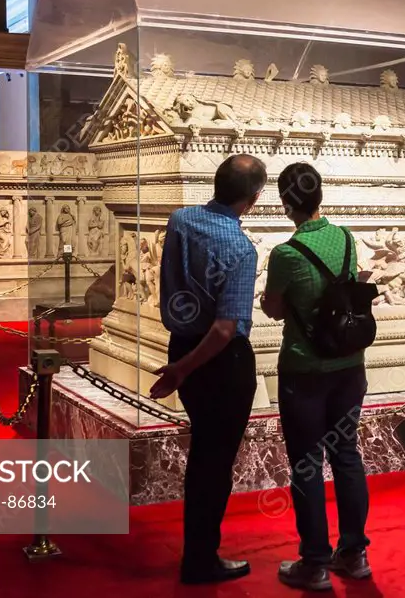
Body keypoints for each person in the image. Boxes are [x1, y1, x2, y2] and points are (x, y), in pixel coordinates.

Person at [150, 154, 267, 585]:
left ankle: (199, 552)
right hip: (218, 362)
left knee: (204, 454)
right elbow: (222, 330)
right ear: (252, 200)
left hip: (182, 342)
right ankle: (201, 559)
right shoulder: (240, 249)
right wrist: (180, 369)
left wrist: (181, 363)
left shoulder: (180, 220)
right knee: (214, 463)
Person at [261, 162, 372, 591]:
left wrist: (281, 302)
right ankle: (354, 552)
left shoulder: (285, 254)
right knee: (346, 454)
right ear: (319, 196)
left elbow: (273, 307)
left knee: (307, 463)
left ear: (286, 203)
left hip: (304, 369)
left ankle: (315, 562)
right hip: (348, 365)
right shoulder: (344, 237)